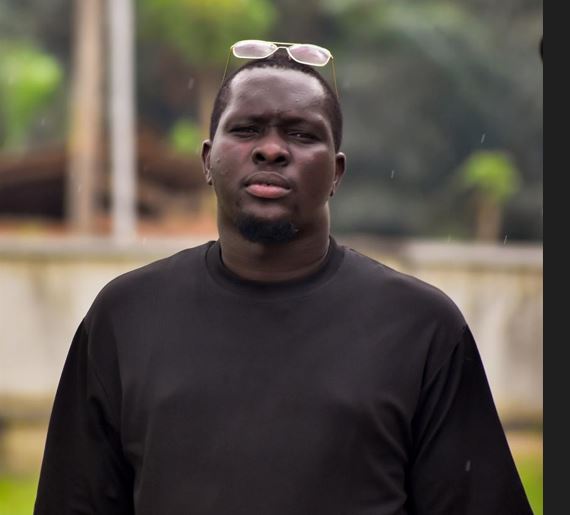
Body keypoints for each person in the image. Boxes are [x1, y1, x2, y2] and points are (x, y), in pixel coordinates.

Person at [34, 43, 533, 514]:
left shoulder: (421, 328)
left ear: (336, 172)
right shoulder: (126, 316)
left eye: (301, 134)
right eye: (247, 129)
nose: (271, 150)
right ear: (207, 160)